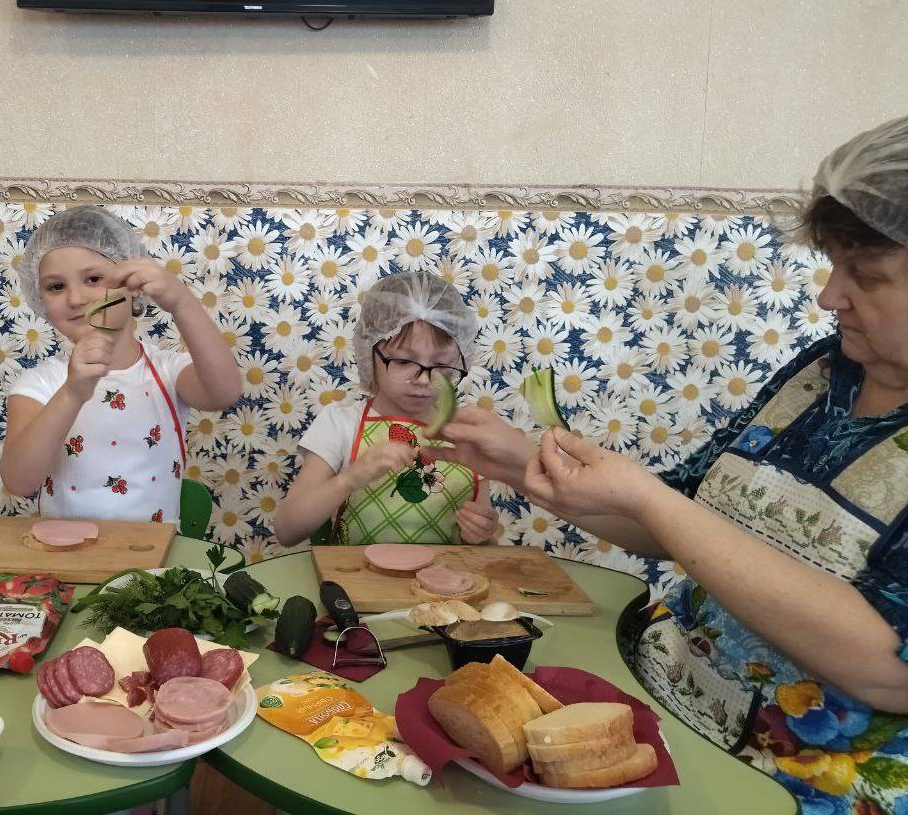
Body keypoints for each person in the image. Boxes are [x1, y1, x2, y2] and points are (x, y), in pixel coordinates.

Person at [428, 115, 908, 811]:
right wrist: (517, 461)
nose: (829, 295)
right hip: (653, 710)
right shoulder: (820, 372)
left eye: (865, 275)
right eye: (833, 265)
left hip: (788, 784)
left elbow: (888, 669)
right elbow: (683, 516)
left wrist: (651, 501)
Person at [0, 206, 240, 522]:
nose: (76, 299)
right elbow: (19, 482)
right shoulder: (40, 384)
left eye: (94, 279)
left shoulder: (167, 371)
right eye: (56, 286)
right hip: (66, 552)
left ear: (133, 285)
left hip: (154, 552)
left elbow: (224, 393)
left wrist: (182, 303)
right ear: (39, 298)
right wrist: (72, 394)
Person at [275, 271, 499, 547]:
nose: (424, 380)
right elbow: (287, 530)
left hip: (444, 576)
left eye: (441, 364)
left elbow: (485, 551)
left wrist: (482, 535)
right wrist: (349, 479)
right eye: (403, 362)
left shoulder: (471, 434)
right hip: (353, 575)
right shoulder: (341, 422)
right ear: (368, 355)